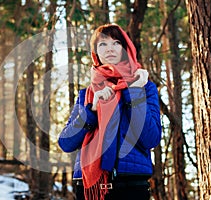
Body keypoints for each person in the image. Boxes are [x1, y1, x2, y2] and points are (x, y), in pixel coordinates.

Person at [58, 24, 161, 200]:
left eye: (116, 43)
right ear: (95, 52)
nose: (110, 49)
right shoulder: (87, 94)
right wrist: (91, 110)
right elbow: (66, 142)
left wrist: (134, 92)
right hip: (89, 188)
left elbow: (150, 138)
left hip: (131, 185)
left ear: (125, 48)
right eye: (103, 44)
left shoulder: (145, 87)